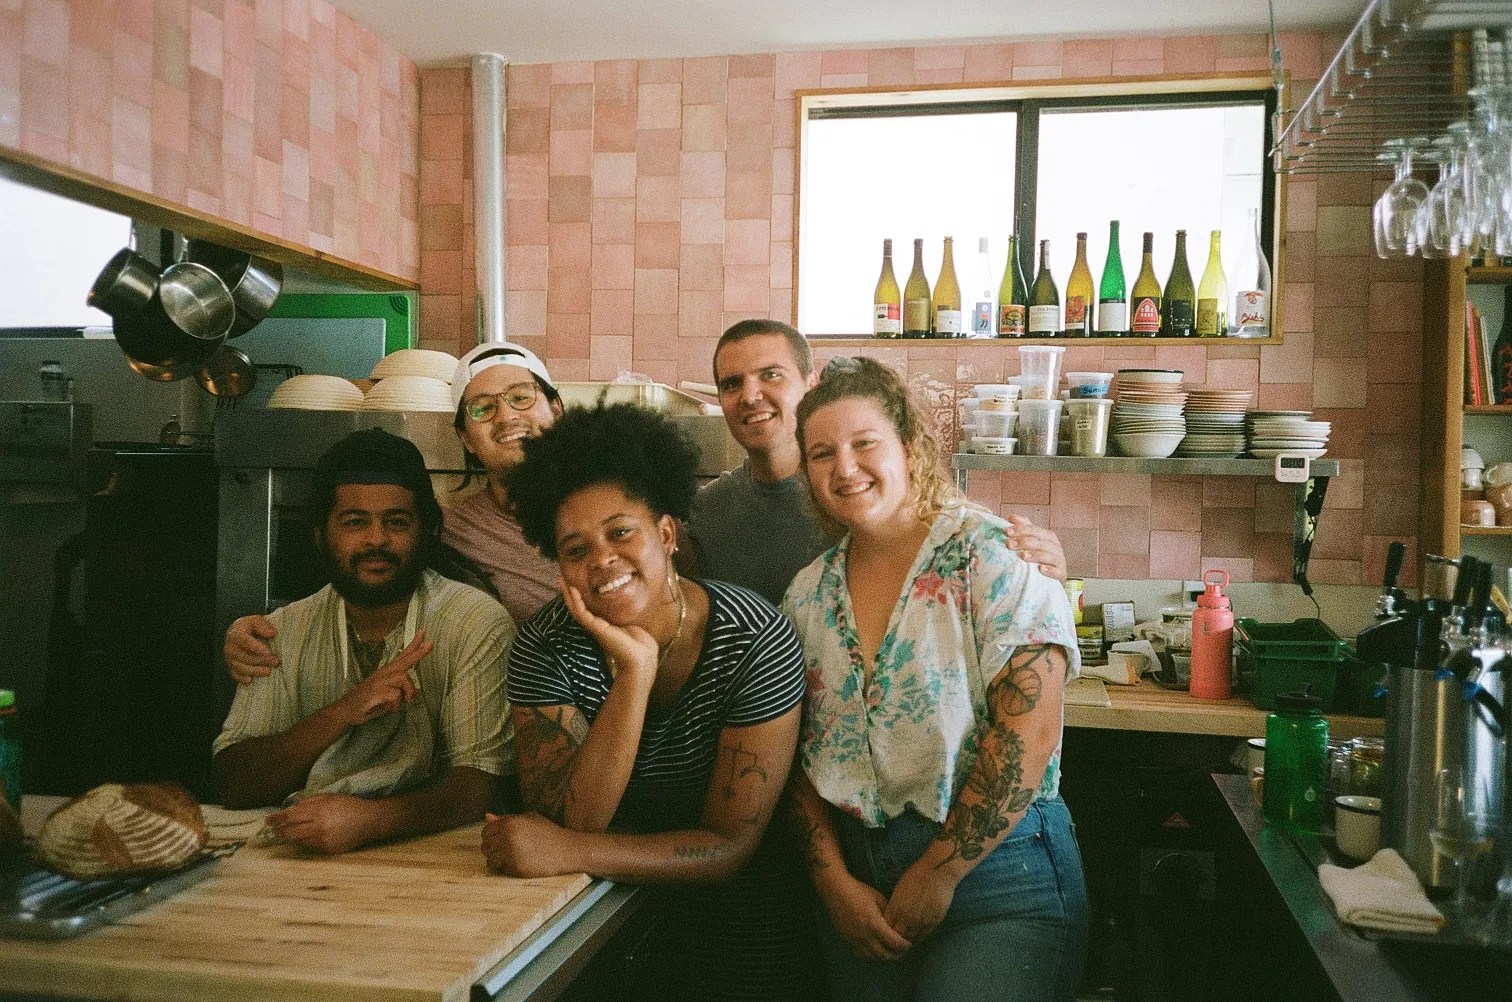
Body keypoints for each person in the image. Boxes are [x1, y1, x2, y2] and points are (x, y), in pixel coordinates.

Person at [481, 403, 814, 1001]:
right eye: (574, 549)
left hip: (738, 933)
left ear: (665, 533)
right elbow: (576, 815)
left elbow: (729, 847)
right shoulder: (545, 644)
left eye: (620, 532)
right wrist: (634, 676)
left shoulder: (754, 638)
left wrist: (571, 851)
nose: (601, 560)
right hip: (589, 926)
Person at [782, 358, 1089, 1002]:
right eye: (821, 454)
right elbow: (797, 759)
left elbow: (1025, 740)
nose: (845, 468)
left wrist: (938, 872)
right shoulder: (807, 595)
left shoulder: (995, 554)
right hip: (860, 890)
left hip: (1000, 875)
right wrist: (831, 881)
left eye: (865, 444)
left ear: (909, 448)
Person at [212, 429, 513, 854]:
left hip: (440, 861)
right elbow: (234, 782)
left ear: (426, 531)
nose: (376, 540)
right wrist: (344, 711)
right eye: (355, 522)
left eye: (396, 522)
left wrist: (371, 820)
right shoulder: (283, 630)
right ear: (320, 533)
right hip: (298, 858)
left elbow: (483, 785)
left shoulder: (473, 623)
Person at [224, 342, 561, 682]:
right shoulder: (452, 530)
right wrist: (252, 632)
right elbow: (352, 588)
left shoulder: (606, 508)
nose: (506, 417)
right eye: (482, 408)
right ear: (466, 438)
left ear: (556, 409)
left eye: (521, 398)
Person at [688, 319, 1069, 607]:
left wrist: (1037, 569)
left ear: (810, 383)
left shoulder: (872, 497)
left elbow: (975, 556)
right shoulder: (710, 511)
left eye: (770, 375)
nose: (751, 396)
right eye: (732, 384)